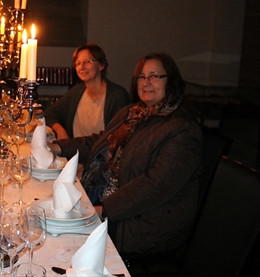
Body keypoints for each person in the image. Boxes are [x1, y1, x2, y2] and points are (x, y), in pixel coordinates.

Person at [49, 52, 202, 267]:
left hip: (138, 226)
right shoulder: (133, 112)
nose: (146, 82)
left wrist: (102, 211)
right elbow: (99, 142)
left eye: (154, 76)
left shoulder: (182, 129)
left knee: (53, 241)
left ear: (171, 81)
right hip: (102, 201)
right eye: (141, 77)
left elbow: (154, 186)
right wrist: (57, 147)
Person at [44, 43, 129, 140]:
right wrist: (60, 130)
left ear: (101, 65)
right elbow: (48, 114)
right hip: (74, 153)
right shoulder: (76, 92)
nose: (82, 67)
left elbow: (116, 137)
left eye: (88, 61)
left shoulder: (117, 96)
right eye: (78, 63)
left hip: (101, 154)